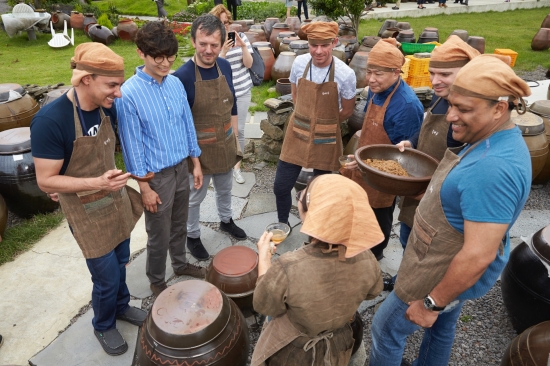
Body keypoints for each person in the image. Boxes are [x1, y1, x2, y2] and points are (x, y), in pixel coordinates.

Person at [369, 54, 532, 366]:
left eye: (464, 109)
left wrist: (431, 303)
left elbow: (478, 254)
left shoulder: (493, 168)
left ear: (499, 107)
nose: (451, 116)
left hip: (439, 270)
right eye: (453, 105)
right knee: (443, 328)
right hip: (448, 264)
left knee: (387, 329)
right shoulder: (491, 138)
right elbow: (464, 200)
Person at [31, 43, 146, 356]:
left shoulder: (104, 105)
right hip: (85, 211)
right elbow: (45, 180)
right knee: (106, 277)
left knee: (122, 260)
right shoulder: (51, 121)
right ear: (85, 80)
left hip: (114, 201)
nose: (118, 93)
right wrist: (95, 182)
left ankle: (121, 307)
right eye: (112, 85)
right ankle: (104, 323)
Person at [251, 174, 384, 366]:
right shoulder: (367, 259)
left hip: (296, 353)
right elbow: (373, 292)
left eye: (302, 197)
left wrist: (264, 261)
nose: (299, 199)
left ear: (310, 212)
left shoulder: (288, 266)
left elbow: (265, 305)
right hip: (340, 343)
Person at [116, 22, 206, 298]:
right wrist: (144, 187)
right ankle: (156, 280)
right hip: (156, 177)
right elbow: (131, 146)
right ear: (140, 53)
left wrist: (196, 161)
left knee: (180, 223)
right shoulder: (128, 94)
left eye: (170, 56)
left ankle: (179, 264)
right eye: (159, 57)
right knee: (158, 233)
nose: (166, 63)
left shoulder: (176, 83)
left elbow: (186, 123)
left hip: (181, 168)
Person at [341, 38, 423, 261]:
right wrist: (359, 156)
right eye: (369, 72)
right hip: (366, 164)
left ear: (396, 72)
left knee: (379, 216)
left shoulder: (406, 106)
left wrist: (370, 165)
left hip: (385, 176)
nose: (371, 79)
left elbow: (405, 160)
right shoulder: (376, 91)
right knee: (359, 212)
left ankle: (374, 256)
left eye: (378, 74)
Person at [173, 14, 247, 261]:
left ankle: (226, 220)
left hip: (225, 144)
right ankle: (192, 235)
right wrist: (192, 160)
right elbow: (179, 124)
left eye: (214, 45)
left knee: (226, 189)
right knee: (195, 199)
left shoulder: (224, 66)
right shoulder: (182, 77)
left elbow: (232, 102)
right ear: (194, 40)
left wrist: (235, 136)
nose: (208, 50)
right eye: (203, 43)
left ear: (222, 44)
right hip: (199, 152)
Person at [396, 36, 480, 251]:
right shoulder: (439, 97)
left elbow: (467, 166)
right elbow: (426, 126)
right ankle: (401, 280)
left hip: (441, 198)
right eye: (432, 73)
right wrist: (411, 141)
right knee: (406, 238)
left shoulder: (469, 115)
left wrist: (436, 193)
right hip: (419, 184)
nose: (435, 81)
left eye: (444, 74)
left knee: (425, 249)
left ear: (465, 73)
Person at [273, 21, 356, 226]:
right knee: (281, 186)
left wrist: (325, 123)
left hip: (326, 137)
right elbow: (295, 95)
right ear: (308, 43)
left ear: (334, 42)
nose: (318, 51)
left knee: (320, 189)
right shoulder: (300, 64)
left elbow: (347, 110)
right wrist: (306, 118)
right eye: (313, 45)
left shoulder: (346, 74)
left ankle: (316, 230)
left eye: (324, 45)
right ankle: (283, 224)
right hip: (298, 131)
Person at [210, 4, 253, 185]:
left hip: (242, 91)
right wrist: (223, 52)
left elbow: (249, 64)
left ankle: (237, 167)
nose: (225, 26)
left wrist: (243, 47)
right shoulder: (211, 43)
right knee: (219, 130)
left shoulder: (240, 37)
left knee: (239, 130)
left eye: (227, 22)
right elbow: (214, 69)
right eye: (221, 23)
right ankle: (218, 165)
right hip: (221, 94)